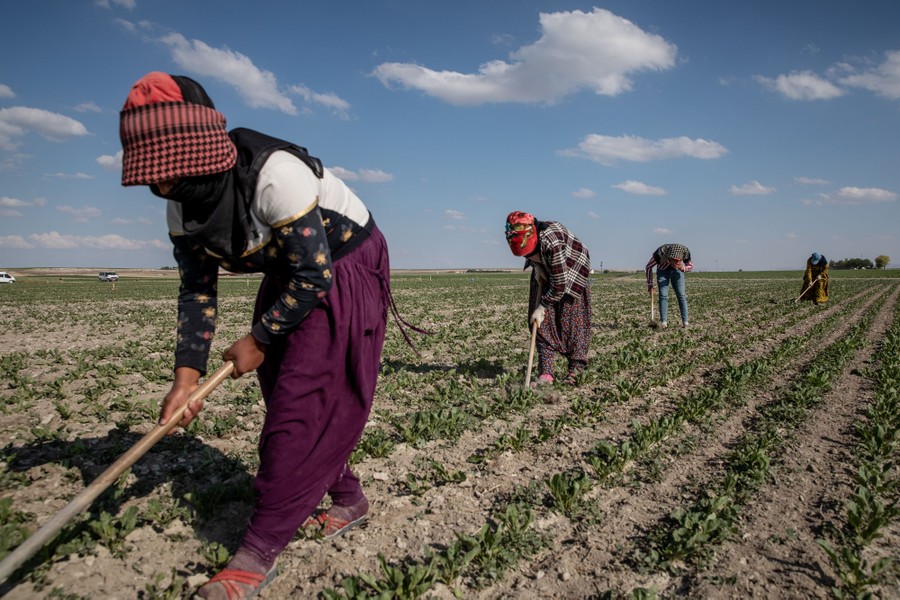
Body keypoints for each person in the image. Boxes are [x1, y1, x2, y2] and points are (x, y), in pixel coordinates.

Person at [119, 72, 390, 599]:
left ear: (199, 155)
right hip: (292, 274)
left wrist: (260, 337)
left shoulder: (273, 176)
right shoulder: (181, 208)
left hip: (344, 265)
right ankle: (348, 496)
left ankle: (258, 551)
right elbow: (197, 292)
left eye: (170, 176)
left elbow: (314, 275)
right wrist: (185, 378)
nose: (163, 189)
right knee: (282, 390)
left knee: (300, 403)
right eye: (155, 180)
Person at [505, 211, 591, 385]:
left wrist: (542, 307)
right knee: (539, 323)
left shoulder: (552, 241)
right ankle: (547, 372)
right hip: (546, 264)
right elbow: (528, 252)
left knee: (572, 321)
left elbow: (560, 283)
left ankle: (575, 369)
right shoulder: (518, 234)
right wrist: (537, 266)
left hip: (571, 269)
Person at [645, 243, 693, 328]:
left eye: (678, 260)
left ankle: (685, 322)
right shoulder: (660, 253)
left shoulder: (685, 252)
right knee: (663, 295)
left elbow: (690, 266)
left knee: (681, 295)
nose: (676, 262)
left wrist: (683, 268)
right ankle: (664, 322)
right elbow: (648, 267)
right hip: (662, 272)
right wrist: (650, 284)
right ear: (669, 256)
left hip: (677, 272)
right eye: (674, 259)